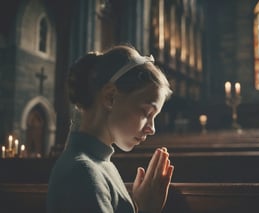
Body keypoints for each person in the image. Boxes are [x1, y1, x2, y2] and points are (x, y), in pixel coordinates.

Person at [47, 44, 174, 213]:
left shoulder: (99, 164)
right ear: (110, 97)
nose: (152, 129)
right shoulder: (82, 173)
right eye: (146, 112)